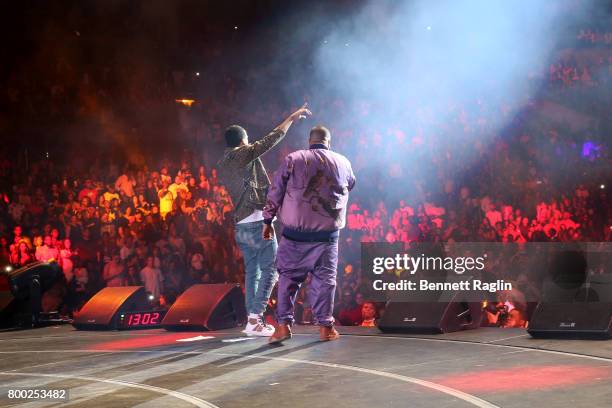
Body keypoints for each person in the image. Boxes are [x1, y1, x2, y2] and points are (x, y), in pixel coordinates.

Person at [217, 103, 312, 336]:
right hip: (258, 221)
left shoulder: (222, 164)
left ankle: (251, 321)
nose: (249, 143)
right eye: (247, 139)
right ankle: (255, 317)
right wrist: (290, 117)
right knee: (271, 270)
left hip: (241, 225)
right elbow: (272, 138)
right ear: (242, 141)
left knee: (253, 272)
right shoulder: (242, 155)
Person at [263, 125, 355, 343]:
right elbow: (350, 184)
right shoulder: (343, 161)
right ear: (328, 143)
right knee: (325, 282)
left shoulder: (293, 159)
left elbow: (275, 190)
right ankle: (326, 328)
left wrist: (268, 220)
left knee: (288, 279)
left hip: (295, 235)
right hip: (327, 237)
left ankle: (283, 327)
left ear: (310, 141)